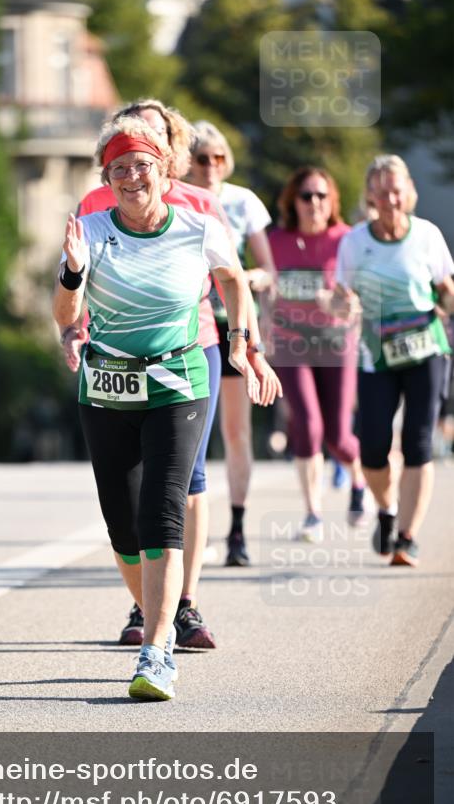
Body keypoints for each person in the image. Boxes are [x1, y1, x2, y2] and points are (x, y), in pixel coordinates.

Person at [53, 115, 268, 700]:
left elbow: (234, 284)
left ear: (165, 170)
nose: (130, 177)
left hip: (178, 381)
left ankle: (157, 652)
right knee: (123, 528)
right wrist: (72, 273)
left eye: (141, 165)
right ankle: (152, 608)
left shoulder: (198, 227)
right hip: (107, 388)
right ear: (108, 176)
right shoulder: (90, 231)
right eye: (118, 168)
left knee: (162, 513)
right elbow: (66, 315)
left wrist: (245, 349)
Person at [333, 155, 454, 566]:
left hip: (426, 351)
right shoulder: (354, 242)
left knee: (420, 442)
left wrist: (446, 308)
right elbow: (340, 295)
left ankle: (406, 536)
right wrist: (342, 303)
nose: (390, 199)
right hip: (377, 356)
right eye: (382, 191)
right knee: (373, 450)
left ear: (411, 193)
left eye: (397, 190)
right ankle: (386, 508)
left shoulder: (427, 235)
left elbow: (444, 287)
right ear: (370, 195)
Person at [187, 121, 276, 565]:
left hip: (235, 324)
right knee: (192, 436)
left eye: (218, 158)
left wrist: (245, 280)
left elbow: (267, 270)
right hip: (192, 327)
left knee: (236, 432)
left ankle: (237, 529)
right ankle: (189, 531)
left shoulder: (242, 202)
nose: (210, 167)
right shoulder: (179, 200)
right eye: (201, 158)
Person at [268, 166, 366, 542]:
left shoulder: (346, 239)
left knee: (339, 437)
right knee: (307, 426)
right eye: (307, 196)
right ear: (293, 201)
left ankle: (359, 479)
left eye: (322, 196)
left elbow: (357, 304)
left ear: (333, 201)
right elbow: (265, 289)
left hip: (336, 342)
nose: (314, 203)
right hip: (291, 343)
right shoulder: (276, 241)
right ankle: (313, 513)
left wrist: (341, 305)